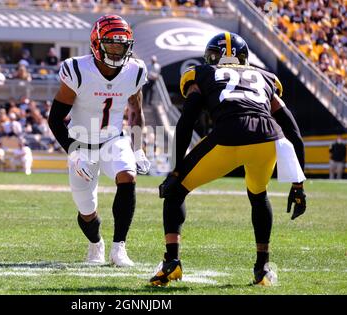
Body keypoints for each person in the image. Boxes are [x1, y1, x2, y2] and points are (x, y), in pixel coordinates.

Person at [149, 32, 307, 287]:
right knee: (258, 195)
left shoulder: (201, 74)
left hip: (228, 136)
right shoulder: (265, 77)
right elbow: (293, 129)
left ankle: (172, 263)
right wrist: (299, 185)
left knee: (176, 192)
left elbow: (187, 120)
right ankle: (262, 269)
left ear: (212, 57)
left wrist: (176, 170)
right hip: (268, 139)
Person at [48, 15, 150, 267]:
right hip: (81, 143)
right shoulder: (78, 70)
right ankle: (96, 245)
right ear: (96, 43)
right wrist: (74, 153)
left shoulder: (135, 70)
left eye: (122, 45)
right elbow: (55, 119)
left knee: (127, 175)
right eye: (111, 44)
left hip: (113, 139)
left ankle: (119, 248)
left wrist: (138, 149)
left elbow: (136, 112)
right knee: (86, 209)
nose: (117, 50)